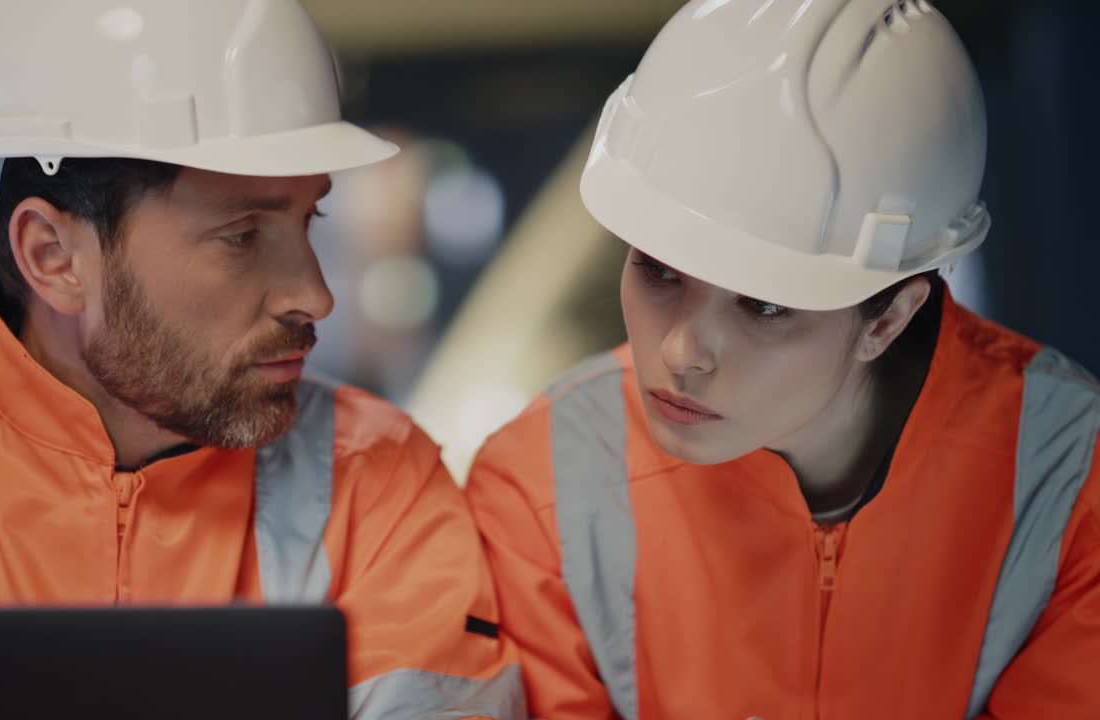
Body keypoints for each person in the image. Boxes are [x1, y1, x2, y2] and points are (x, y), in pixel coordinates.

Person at [0, 1, 524, 717]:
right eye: (242, 235)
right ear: (52, 255)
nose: (314, 295)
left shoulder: (376, 484)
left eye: (309, 217)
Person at [466, 0, 1100, 718]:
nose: (681, 351)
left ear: (889, 317)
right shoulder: (545, 485)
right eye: (658, 270)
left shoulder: (1068, 479)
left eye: (764, 306)